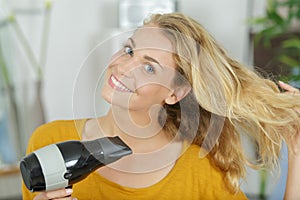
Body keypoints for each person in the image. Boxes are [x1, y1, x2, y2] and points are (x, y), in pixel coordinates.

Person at [22, 13, 300, 200]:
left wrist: (298, 155)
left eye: (149, 68)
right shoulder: (49, 141)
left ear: (175, 92)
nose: (123, 67)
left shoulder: (200, 168)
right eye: (129, 50)